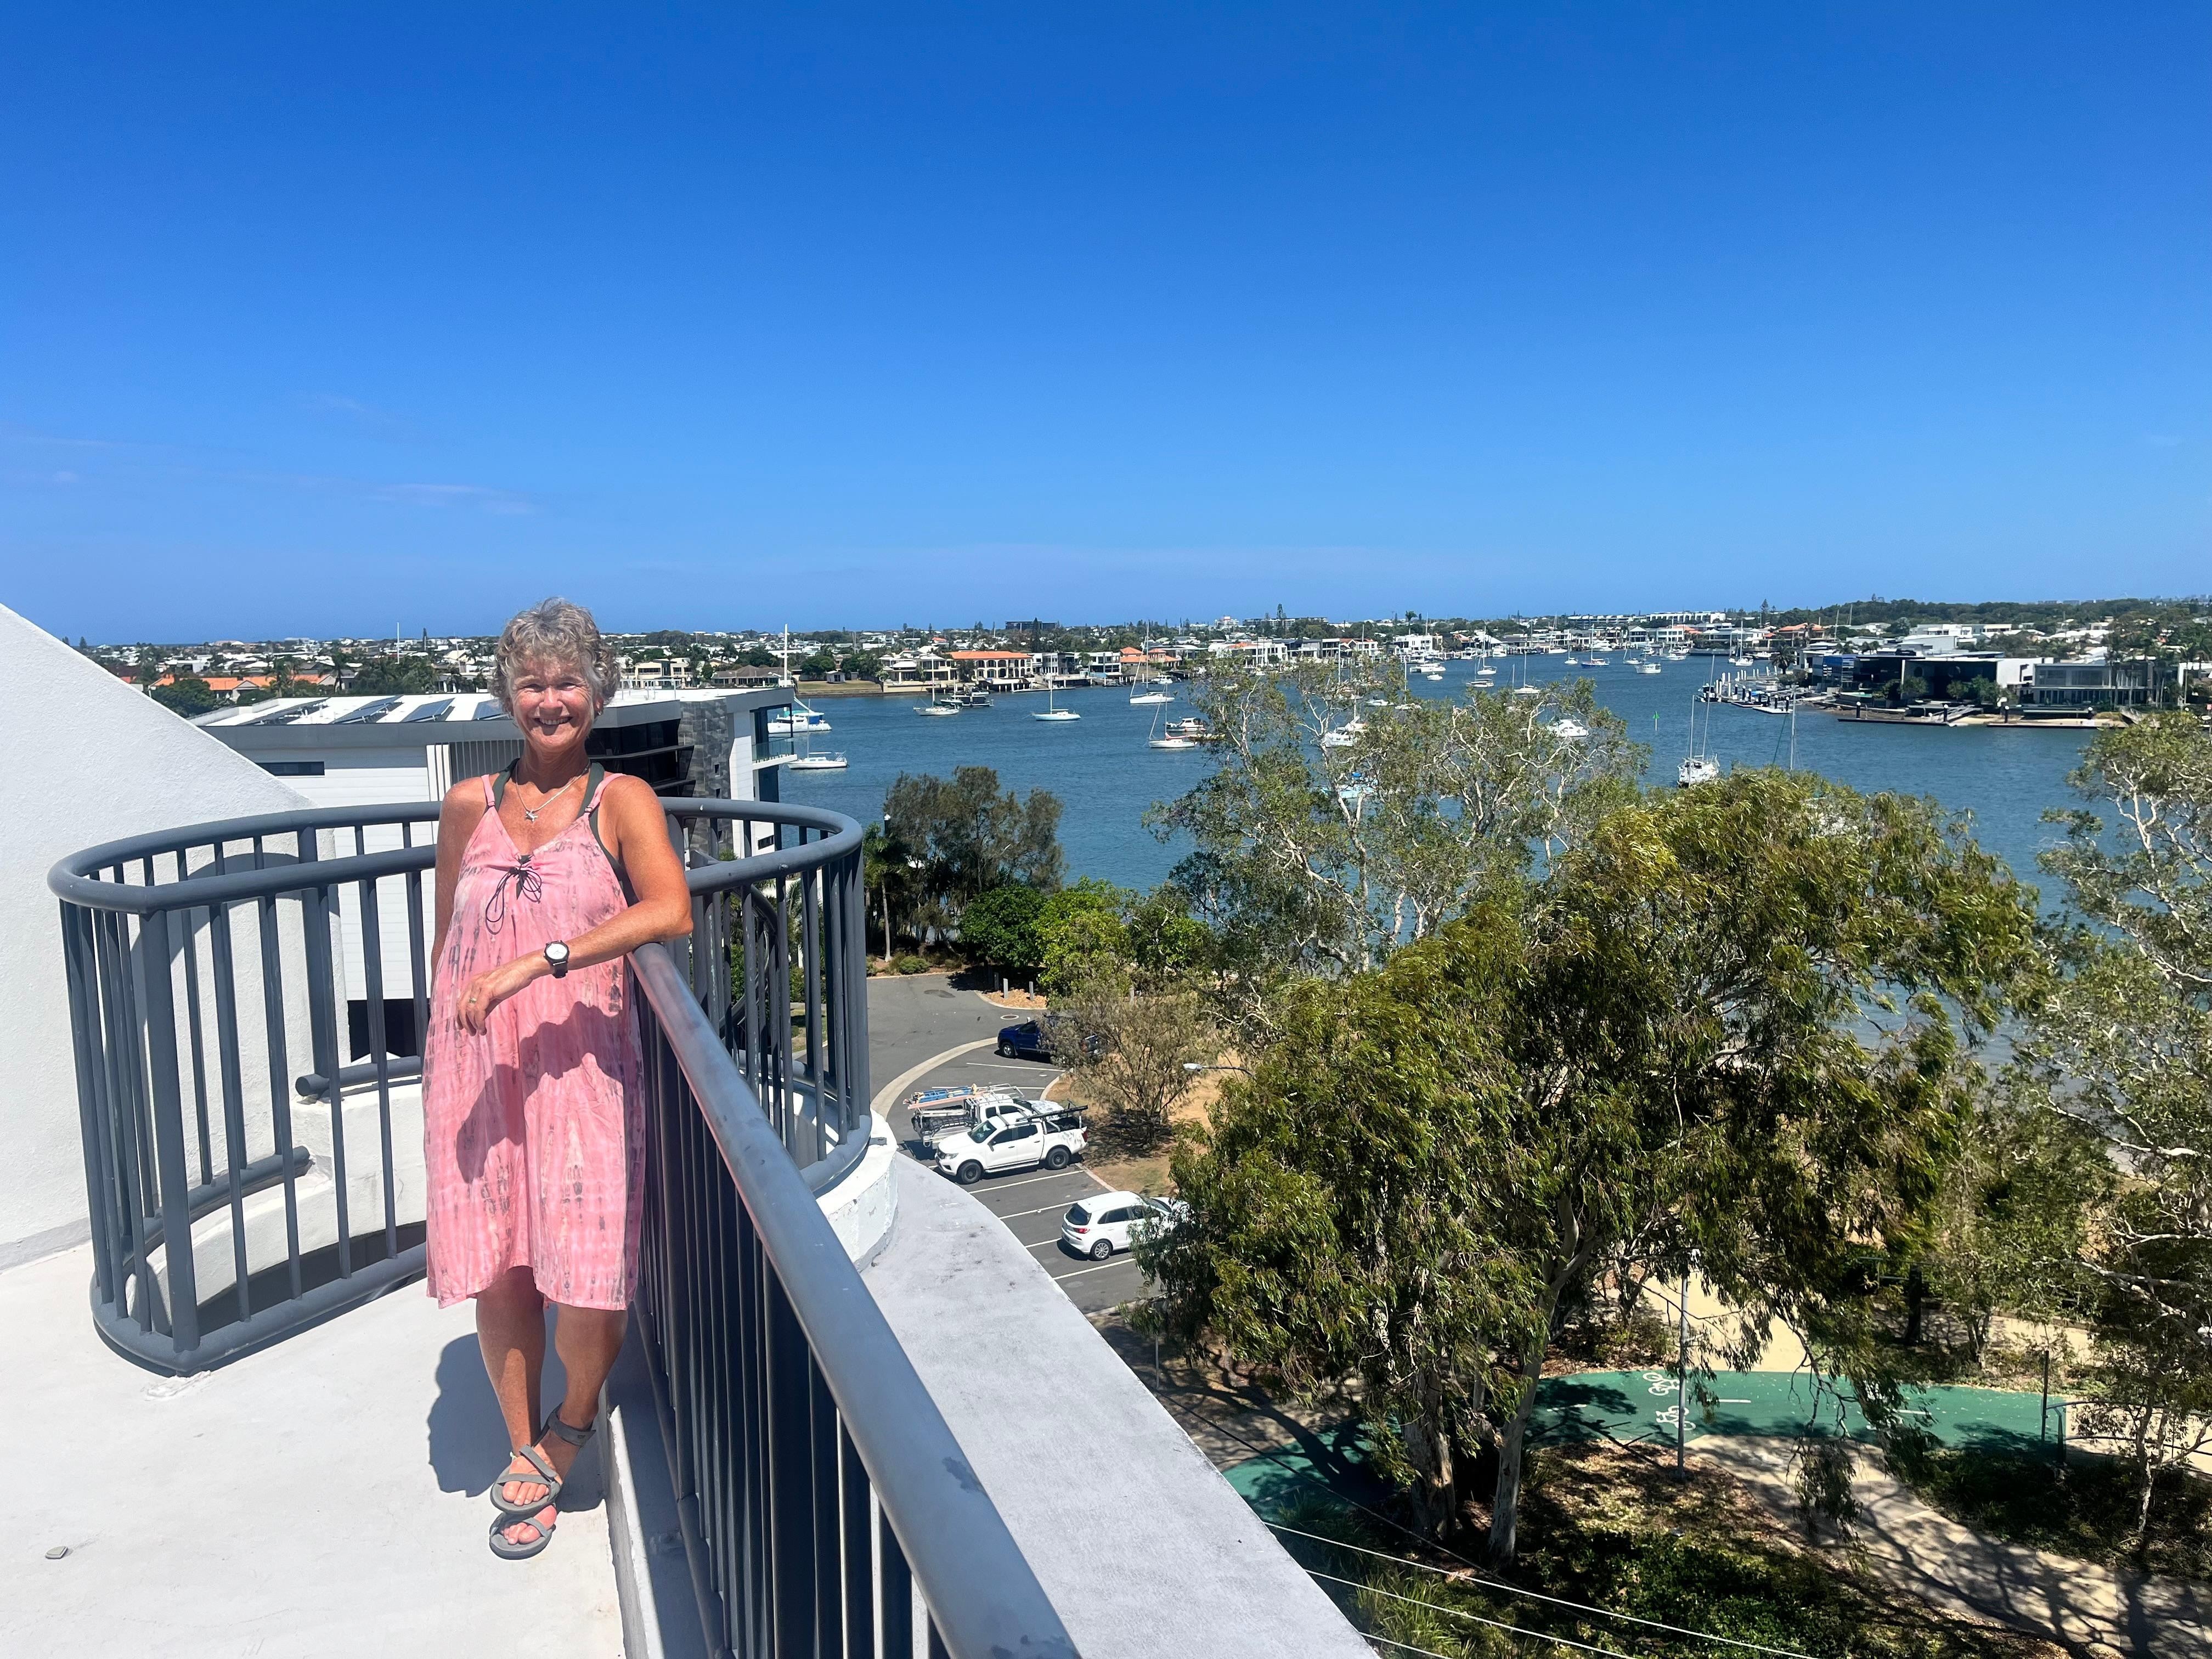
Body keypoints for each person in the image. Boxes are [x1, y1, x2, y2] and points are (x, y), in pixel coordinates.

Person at [421, 597, 692, 1560]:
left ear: (597, 694)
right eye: (532, 682)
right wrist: (447, 1042)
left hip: (583, 1073)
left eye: (567, 681)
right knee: (503, 1268)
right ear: (508, 695)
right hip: (481, 1067)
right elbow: (451, 935)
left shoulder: (621, 800)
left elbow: (669, 911)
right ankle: (520, 1444)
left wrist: (542, 960)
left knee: (585, 1282)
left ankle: (573, 1421)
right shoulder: (468, 804)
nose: (549, 699)